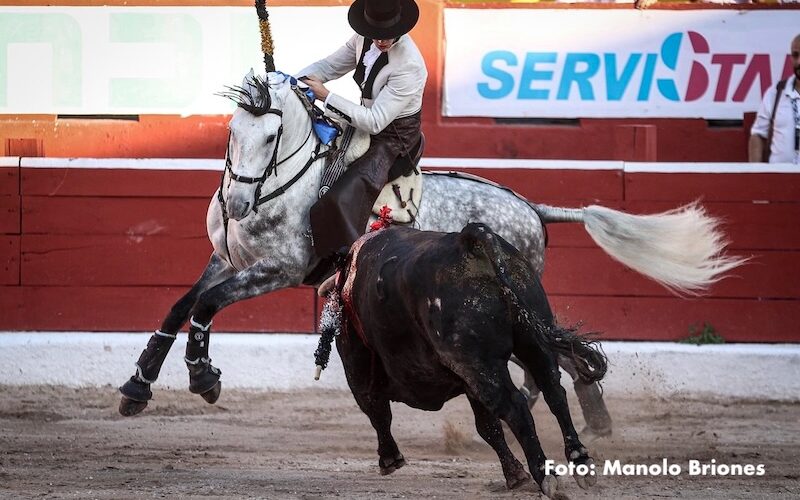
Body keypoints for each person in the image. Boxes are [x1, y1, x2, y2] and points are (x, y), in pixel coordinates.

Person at [296, 0, 428, 273]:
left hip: (394, 138)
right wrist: (293, 82)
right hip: (362, 120)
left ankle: (348, 268)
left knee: (340, 198)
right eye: (376, 33)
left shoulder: (411, 65)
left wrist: (325, 95)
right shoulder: (363, 38)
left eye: (388, 34)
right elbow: (329, 67)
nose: (381, 40)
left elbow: (376, 121)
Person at [749, 34, 800, 164]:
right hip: (778, 180)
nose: (799, 61)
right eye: (795, 55)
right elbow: (758, 135)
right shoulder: (775, 93)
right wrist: (755, 175)